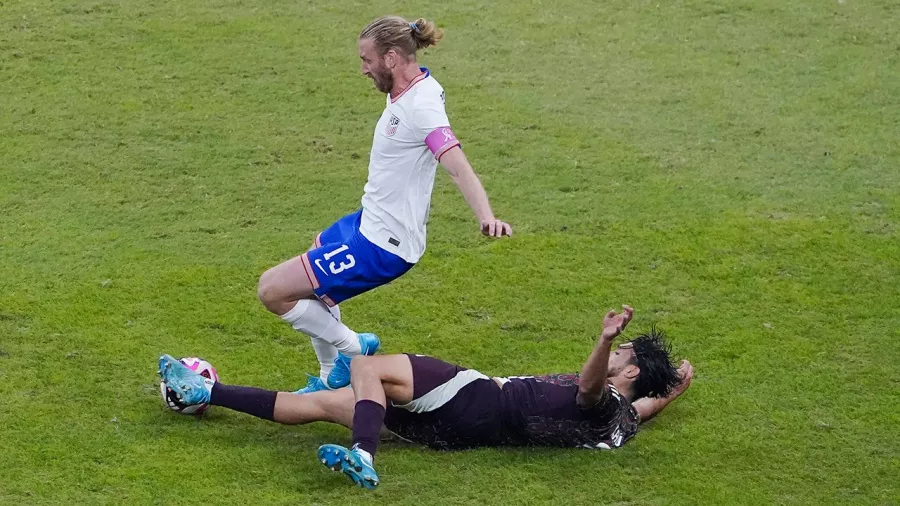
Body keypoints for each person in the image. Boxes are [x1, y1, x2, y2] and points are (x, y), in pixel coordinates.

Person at [158, 305, 694, 490]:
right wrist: (676, 388)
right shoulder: (625, 422)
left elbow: (588, 387)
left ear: (627, 373)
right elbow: (648, 405)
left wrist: (603, 340)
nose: (617, 352)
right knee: (325, 403)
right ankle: (206, 390)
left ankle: (363, 453)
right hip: (456, 433)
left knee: (366, 365)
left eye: (624, 354)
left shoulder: (602, 401)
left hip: (476, 397)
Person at [255, 15, 512, 394]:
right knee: (318, 249)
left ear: (391, 58)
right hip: (368, 221)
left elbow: (457, 165)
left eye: (367, 60)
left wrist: (486, 216)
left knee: (273, 291)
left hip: (383, 244)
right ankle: (330, 377)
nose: (363, 69)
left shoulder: (421, 106)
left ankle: (354, 348)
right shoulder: (413, 87)